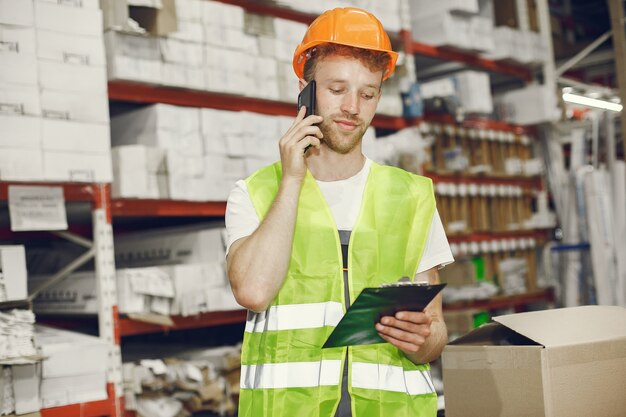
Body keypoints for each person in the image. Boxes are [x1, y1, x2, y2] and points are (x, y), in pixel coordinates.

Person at [225, 7, 454, 417]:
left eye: (367, 94)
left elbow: (434, 333)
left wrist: (425, 340)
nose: (352, 107)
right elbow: (254, 292)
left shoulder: (411, 195)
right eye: (336, 89)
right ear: (305, 90)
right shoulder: (256, 193)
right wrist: (293, 179)